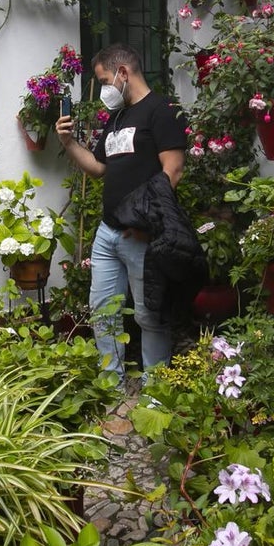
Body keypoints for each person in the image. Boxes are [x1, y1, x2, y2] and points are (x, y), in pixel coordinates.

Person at [56, 44, 205, 381]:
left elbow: (174, 170)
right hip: (108, 234)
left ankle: (156, 394)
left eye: (104, 80)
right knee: (103, 313)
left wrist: (147, 221)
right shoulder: (118, 116)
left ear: (123, 73)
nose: (104, 89)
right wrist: (68, 143)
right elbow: (98, 167)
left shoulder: (162, 111)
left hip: (142, 235)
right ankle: (112, 387)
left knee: (149, 316)